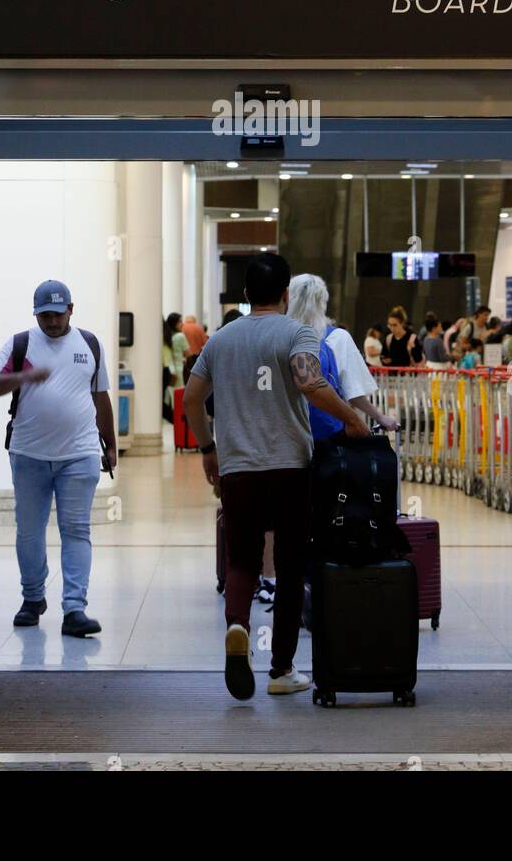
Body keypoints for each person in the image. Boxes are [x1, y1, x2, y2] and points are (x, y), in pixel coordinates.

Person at [181, 253, 368, 700]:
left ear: (245, 296)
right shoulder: (297, 332)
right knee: (288, 566)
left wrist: (208, 448)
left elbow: (191, 398)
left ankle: (238, 626)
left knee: (242, 560)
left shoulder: (221, 339)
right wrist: (352, 419)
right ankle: (281, 670)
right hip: (289, 468)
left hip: (238, 469)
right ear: (285, 295)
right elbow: (310, 383)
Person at [0, 280, 115, 637]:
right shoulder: (20, 343)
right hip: (29, 454)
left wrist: (110, 444)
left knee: (76, 530)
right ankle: (32, 598)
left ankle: (75, 609)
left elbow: (101, 398)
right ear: (35, 314)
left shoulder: (89, 344)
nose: (51, 322)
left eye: (57, 314)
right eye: (44, 316)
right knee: (29, 532)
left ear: (71, 309)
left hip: (80, 453)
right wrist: (23, 376)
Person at [286, 274, 399, 436]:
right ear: (323, 302)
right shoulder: (337, 337)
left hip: (286, 435)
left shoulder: (278, 336)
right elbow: (353, 392)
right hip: (328, 432)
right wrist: (379, 417)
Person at [164, 312, 189, 387]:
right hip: (179, 369)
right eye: (180, 321)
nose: (182, 324)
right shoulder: (180, 336)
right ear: (174, 323)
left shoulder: (167, 335)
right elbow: (187, 354)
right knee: (179, 393)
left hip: (170, 369)